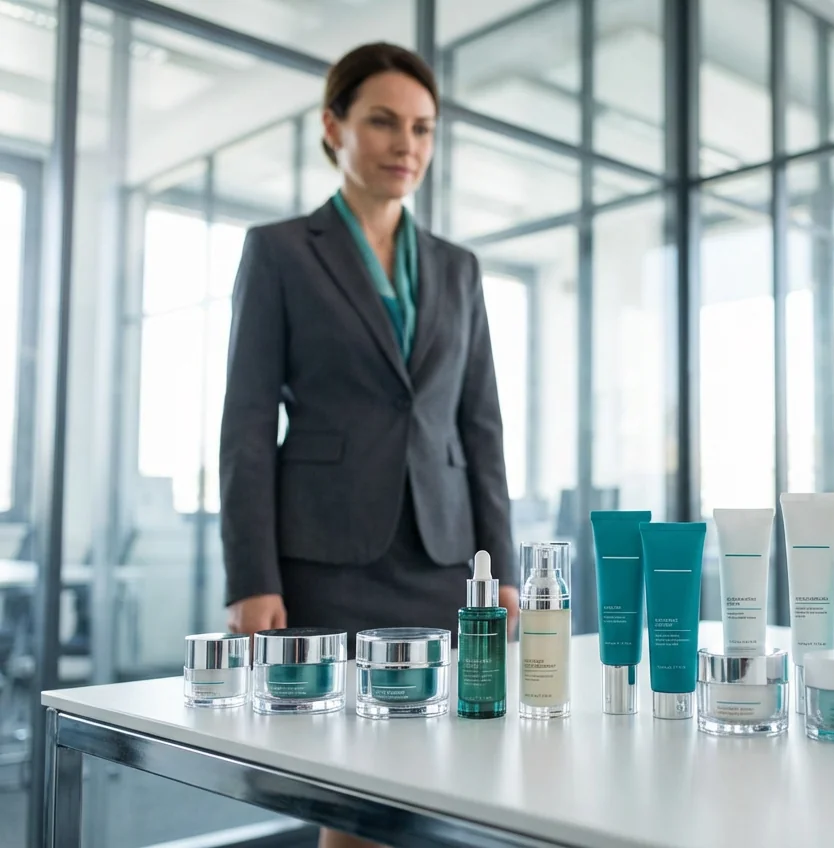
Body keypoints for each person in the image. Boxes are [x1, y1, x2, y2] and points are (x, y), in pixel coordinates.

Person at [219, 42, 518, 848]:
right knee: (347, 791)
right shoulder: (282, 252)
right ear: (333, 127)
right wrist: (252, 576)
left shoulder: (459, 269)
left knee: (445, 777)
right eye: (383, 122)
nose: (406, 146)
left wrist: (506, 570)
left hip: (445, 562)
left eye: (423, 128)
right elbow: (246, 423)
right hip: (325, 560)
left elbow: (479, 427)